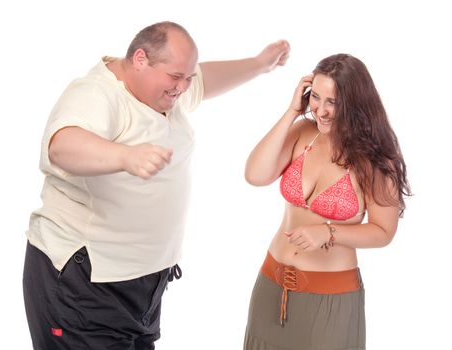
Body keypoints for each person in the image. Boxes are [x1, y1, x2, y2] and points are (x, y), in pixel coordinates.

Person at [23, 21, 290, 350]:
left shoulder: (165, 89)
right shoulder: (97, 94)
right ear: (139, 59)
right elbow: (62, 145)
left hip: (142, 287)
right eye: (176, 77)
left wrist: (260, 64)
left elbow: (205, 80)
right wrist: (124, 156)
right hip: (85, 283)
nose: (183, 86)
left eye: (187, 77)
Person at [243, 53, 411, 350]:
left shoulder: (375, 161)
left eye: (332, 102)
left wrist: (329, 232)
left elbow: (384, 232)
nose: (320, 110)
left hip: (330, 298)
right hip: (271, 285)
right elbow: (255, 175)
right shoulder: (303, 133)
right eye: (315, 97)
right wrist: (291, 112)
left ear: (355, 104)